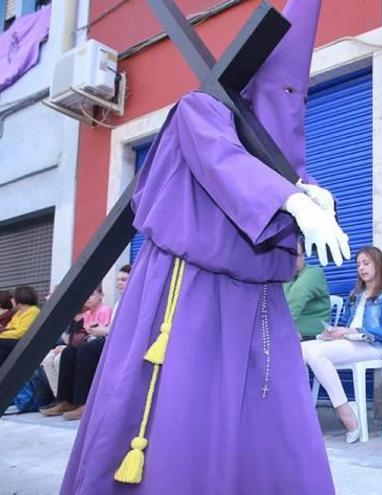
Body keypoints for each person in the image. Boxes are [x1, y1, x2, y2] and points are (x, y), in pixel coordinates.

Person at [61, 1, 346, 493]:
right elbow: (224, 161)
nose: (287, 103)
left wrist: (312, 192)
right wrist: (294, 203)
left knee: (268, 413)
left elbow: (279, 167)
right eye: (280, 91)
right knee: (184, 409)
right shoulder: (201, 109)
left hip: (256, 303)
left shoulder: (272, 151)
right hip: (189, 290)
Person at [301, 246, 382, 443]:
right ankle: (300, 414)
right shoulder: (355, 295)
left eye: (366, 263)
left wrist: (355, 331)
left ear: (377, 264)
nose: (361, 268)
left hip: (374, 346)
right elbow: (346, 324)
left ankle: (347, 415)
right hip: (350, 344)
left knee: (314, 353)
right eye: (358, 264)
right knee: (302, 349)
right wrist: (334, 332)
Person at [41, 287, 113, 420]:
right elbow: (76, 337)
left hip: (105, 342)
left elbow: (104, 332)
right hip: (90, 342)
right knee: (69, 352)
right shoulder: (86, 314)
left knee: (84, 350)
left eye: (91, 294)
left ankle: (84, 402)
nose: (88, 298)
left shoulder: (106, 310)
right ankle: (66, 400)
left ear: (101, 295)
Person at [284, 240, 331, 340]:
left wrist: (280, 331)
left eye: (297, 255)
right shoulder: (283, 277)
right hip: (292, 336)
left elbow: (294, 302)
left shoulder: (314, 273)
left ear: (303, 256)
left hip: (314, 338)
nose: (294, 260)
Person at [0, 286, 41, 367]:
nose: (12, 301)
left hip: (24, 341)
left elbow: (21, 332)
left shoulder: (33, 311)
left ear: (19, 300)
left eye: (14, 298)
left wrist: (2, 334)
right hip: (12, 340)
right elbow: (8, 327)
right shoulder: (18, 313)